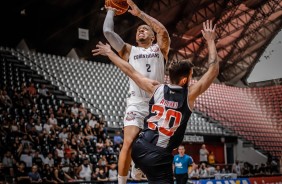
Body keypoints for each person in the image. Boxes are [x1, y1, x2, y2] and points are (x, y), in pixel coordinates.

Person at [93, 19, 218, 184]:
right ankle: (131, 172)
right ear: (184, 80)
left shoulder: (157, 89)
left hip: (140, 148)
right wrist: (210, 41)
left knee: (130, 144)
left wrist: (109, 53)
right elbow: (214, 69)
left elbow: (129, 71)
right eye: (190, 75)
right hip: (159, 153)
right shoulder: (189, 95)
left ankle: (136, 166)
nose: (142, 30)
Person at [102, 0, 170, 182]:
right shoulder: (128, 51)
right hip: (136, 103)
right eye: (139, 29)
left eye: (145, 29)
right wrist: (110, 10)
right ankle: (122, 182)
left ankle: (137, 166)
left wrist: (140, 14)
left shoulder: (160, 49)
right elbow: (108, 32)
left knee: (155, 147)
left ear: (152, 37)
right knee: (129, 142)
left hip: (157, 105)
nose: (141, 30)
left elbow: (162, 31)